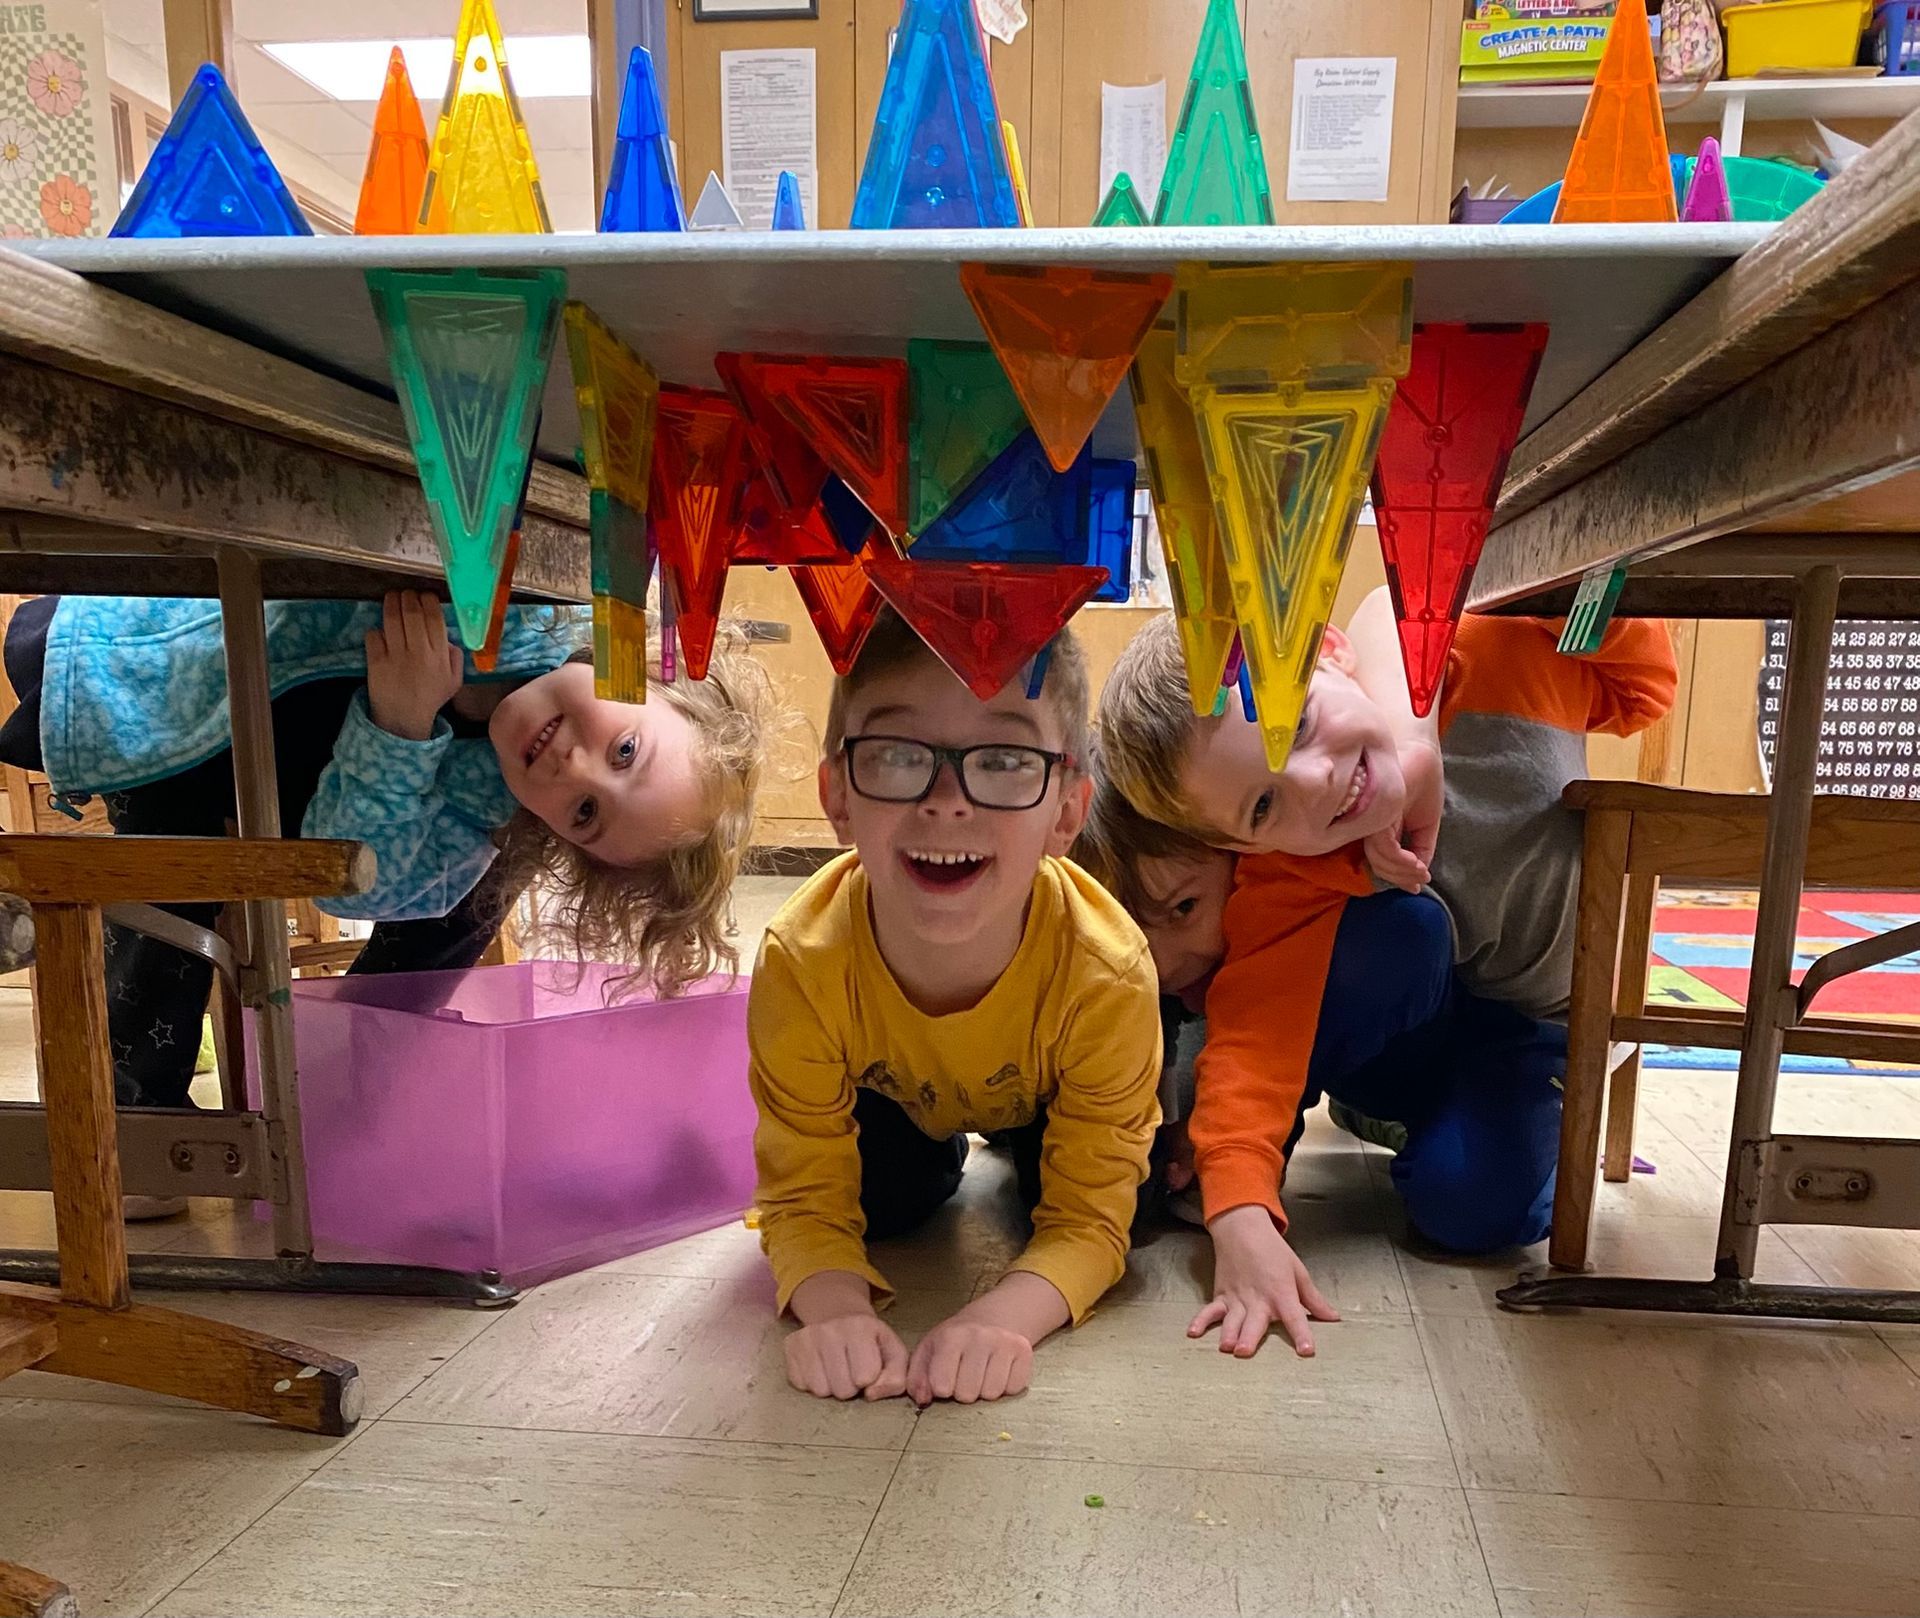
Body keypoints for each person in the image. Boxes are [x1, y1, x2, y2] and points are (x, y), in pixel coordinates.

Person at [1096, 589, 1676, 1358]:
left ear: (1332, 653)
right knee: (1395, 929)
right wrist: (1239, 1213)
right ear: (1240, 845)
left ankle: (1438, 1121)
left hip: (1547, 1024)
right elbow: (1255, 1041)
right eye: (1264, 806)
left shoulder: (1481, 651)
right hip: (1420, 1026)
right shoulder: (1291, 868)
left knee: (1470, 1212)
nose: (1316, 781)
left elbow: (1643, 687)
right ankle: (1382, 1107)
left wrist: (1554, 592)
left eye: (1297, 723)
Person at [0, 590, 775, 1131]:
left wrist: (400, 725)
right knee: (175, 872)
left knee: (475, 878)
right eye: (626, 748)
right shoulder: (548, 601)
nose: (573, 770)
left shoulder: (485, 805)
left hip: (266, 768)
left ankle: (347, 1081)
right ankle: (137, 1104)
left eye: (583, 815)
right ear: (647, 669)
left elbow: (353, 880)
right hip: (138, 675)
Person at [748, 608, 1161, 1408]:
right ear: (837, 794)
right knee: (883, 1206)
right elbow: (800, 1196)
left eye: (1004, 759)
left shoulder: (1108, 974)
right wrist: (831, 1310)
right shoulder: (802, 962)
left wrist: (1004, 1318)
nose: (946, 801)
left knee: (1120, 1206)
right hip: (896, 1095)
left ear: (1067, 814)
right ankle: (939, 1159)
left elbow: (1091, 1221)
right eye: (899, 755)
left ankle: (1015, 1152)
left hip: (1048, 1091)